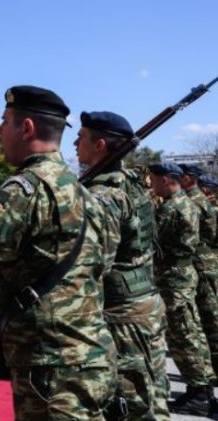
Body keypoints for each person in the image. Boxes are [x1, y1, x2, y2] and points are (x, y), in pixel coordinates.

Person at [0, 86, 116, 420]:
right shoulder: (88, 193)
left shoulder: (22, 191)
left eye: (4, 121)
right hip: (93, 352)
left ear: (25, 128)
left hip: (49, 364)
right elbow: (105, 262)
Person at [74, 111, 169, 420]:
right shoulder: (130, 182)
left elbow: (95, 261)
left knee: (131, 406)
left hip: (123, 314)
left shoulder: (106, 195)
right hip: (144, 303)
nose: (75, 142)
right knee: (153, 396)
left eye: (82, 136)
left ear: (100, 144)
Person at [151, 161, 215, 415]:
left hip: (174, 276)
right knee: (192, 331)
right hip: (183, 273)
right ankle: (203, 388)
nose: (153, 184)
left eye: (155, 179)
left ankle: (198, 393)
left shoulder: (171, 207)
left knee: (183, 335)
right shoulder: (187, 203)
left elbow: (152, 242)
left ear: (167, 180)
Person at [182, 161, 218, 392]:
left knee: (207, 318)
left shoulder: (193, 203)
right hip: (209, 262)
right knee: (210, 316)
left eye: (182, 175)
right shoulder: (204, 202)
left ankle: (212, 368)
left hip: (200, 265)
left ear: (189, 178)